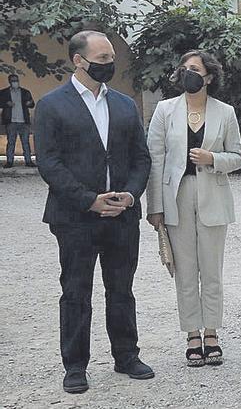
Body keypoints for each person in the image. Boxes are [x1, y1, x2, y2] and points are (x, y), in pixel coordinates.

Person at [35, 30, 154, 393]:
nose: (108, 65)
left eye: (110, 58)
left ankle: (126, 355)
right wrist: (88, 199)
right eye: (102, 59)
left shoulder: (123, 104)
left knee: (122, 289)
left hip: (122, 215)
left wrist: (131, 196)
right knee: (75, 291)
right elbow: (49, 163)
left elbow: (140, 157)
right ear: (79, 60)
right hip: (75, 216)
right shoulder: (52, 104)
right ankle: (75, 365)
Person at [145, 51, 241, 368]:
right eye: (184, 68)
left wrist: (213, 159)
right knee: (185, 272)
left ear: (209, 77)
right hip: (176, 197)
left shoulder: (225, 112)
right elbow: (155, 159)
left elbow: (238, 157)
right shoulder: (164, 110)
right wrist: (155, 207)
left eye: (195, 69)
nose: (188, 73)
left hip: (213, 196)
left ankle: (212, 333)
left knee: (212, 271)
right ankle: (192, 334)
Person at [2, 73, 36, 167]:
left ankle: (28, 161)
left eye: (16, 80)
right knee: (11, 142)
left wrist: (29, 103)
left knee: (25, 142)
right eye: (13, 81)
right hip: (11, 121)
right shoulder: (4, 93)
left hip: (23, 121)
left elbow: (32, 104)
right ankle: (9, 161)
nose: (15, 82)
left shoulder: (25, 92)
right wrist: (6, 103)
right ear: (10, 82)